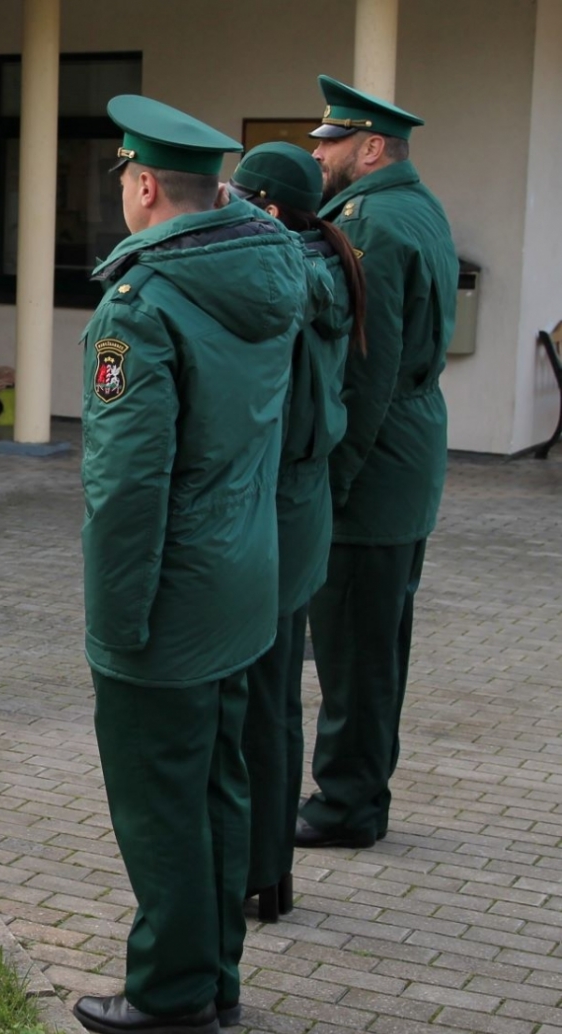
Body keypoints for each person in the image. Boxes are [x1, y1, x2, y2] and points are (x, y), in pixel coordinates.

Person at [73, 97, 307, 1034]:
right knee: (218, 783)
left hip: (171, 596)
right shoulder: (265, 271)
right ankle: (215, 975)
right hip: (244, 577)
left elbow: (127, 491)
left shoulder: (144, 305)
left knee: (161, 798)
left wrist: (115, 622)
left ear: (140, 185)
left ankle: (171, 993)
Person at [296, 76, 458, 850]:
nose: (317, 153)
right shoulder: (415, 205)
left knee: (356, 651)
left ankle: (347, 804)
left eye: (330, 142)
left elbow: (366, 371)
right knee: (377, 641)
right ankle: (361, 791)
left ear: (370, 148)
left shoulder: (373, 222)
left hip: (375, 465)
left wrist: (333, 480)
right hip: (408, 454)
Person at [226, 143, 363, 921]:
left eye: (239, 199)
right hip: (296, 504)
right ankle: (266, 871)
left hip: (278, 504)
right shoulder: (319, 264)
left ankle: (258, 871)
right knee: (272, 699)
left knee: (262, 701)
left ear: (271, 211)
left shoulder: (299, 274)